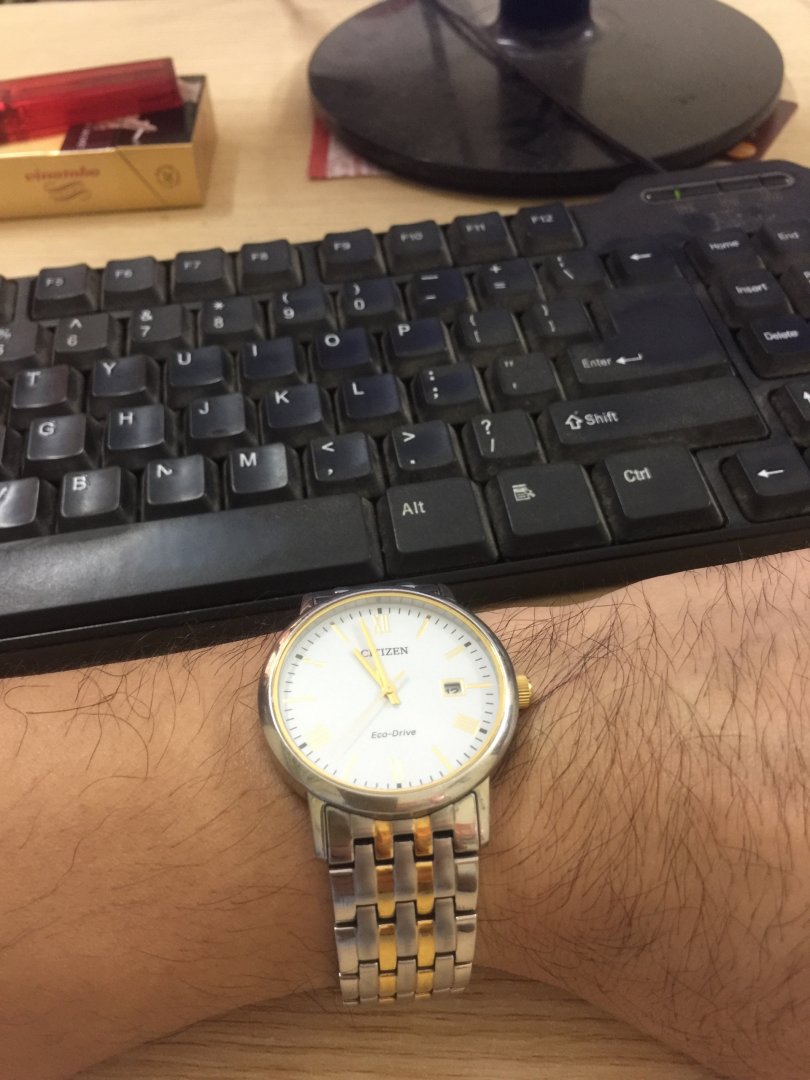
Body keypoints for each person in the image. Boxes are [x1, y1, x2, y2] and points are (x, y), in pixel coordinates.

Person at [1, 550, 808, 1080]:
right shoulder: (297, 731)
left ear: (516, 694)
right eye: (381, 685)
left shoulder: (489, 718)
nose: (390, 694)